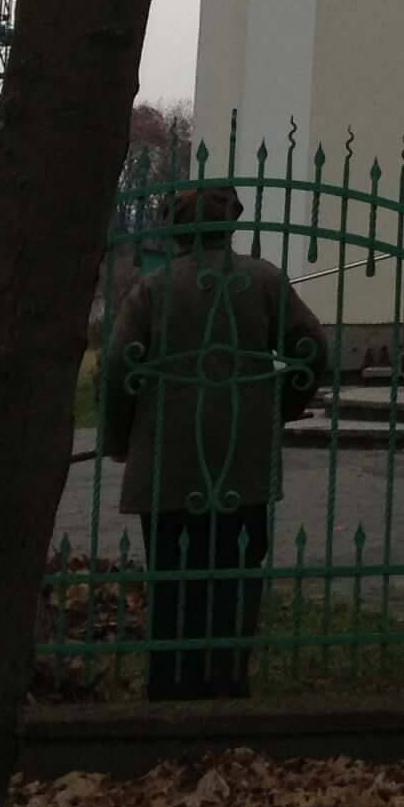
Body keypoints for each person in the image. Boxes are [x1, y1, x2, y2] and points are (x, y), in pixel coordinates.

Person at [98, 182, 330, 700]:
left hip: (167, 463)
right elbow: (312, 349)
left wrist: (118, 439)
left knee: (172, 577)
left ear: (176, 229)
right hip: (241, 462)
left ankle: (170, 688)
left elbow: (117, 367)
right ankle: (225, 685)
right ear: (230, 223)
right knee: (234, 575)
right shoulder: (263, 280)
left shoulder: (152, 289)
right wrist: (279, 407)